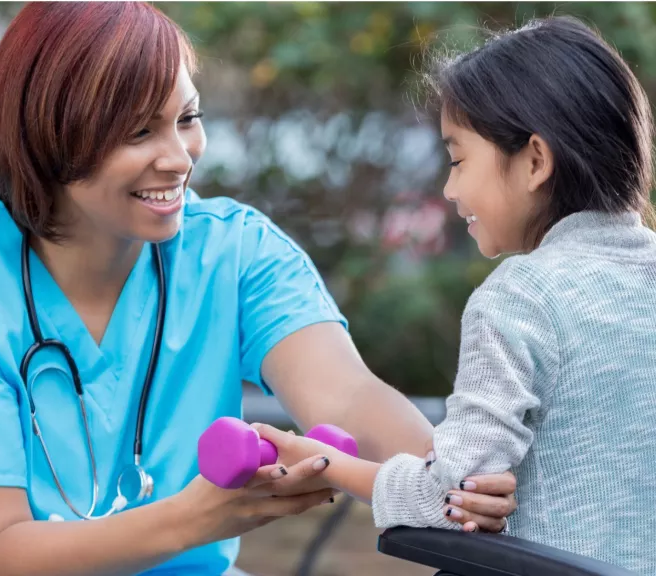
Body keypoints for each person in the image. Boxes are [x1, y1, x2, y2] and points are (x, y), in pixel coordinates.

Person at [0, 3, 516, 576]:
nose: (178, 157)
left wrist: (455, 481)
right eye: (139, 131)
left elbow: (347, 398)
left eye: (187, 119)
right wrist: (197, 518)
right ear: (49, 136)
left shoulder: (234, 252)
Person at [254, 16, 656, 574]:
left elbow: (446, 501)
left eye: (458, 159)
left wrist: (324, 464)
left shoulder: (523, 295)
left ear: (535, 160)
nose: (449, 189)